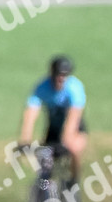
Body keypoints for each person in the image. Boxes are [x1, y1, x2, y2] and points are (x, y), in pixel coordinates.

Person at [18, 55, 88, 184]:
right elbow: (30, 114)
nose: (61, 78)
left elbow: (74, 116)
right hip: (54, 127)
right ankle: (44, 188)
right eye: (58, 75)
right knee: (45, 158)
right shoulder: (42, 87)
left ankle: (73, 182)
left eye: (64, 75)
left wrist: (66, 141)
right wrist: (25, 139)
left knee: (74, 148)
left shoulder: (74, 87)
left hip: (74, 126)